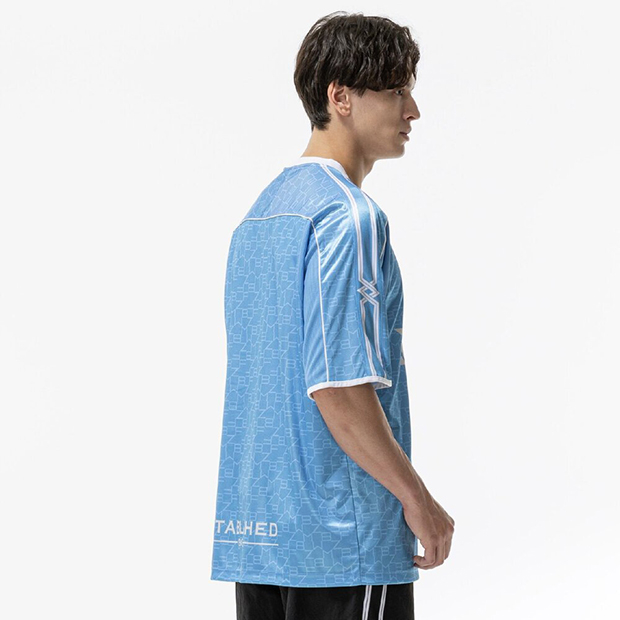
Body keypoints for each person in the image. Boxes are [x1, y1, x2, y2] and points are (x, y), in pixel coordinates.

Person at [211, 11, 455, 620]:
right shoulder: (348, 216)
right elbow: (339, 388)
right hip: (343, 543)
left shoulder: (257, 218)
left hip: (259, 539)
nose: (413, 111)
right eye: (396, 91)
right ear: (340, 97)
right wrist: (418, 499)